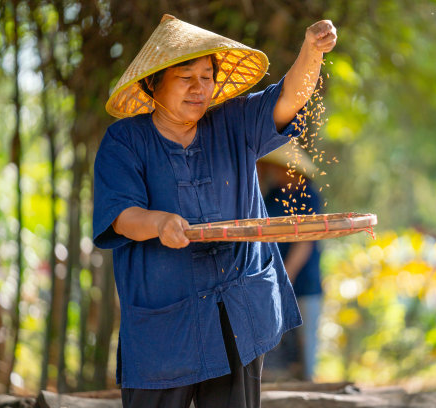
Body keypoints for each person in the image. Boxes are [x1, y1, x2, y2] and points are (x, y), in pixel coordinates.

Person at [93, 14, 336, 408]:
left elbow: (291, 95)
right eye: (185, 77)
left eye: (206, 77)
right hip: (163, 326)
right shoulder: (125, 140)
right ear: (153, 83)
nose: (198, 88)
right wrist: (159, 223)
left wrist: (312, 51)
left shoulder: (234, 122)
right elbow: (120, 215)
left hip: (238, 316)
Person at [257, 144, 323, 382]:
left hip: (304, 282)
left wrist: (286, 277)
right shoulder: (272, 194)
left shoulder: (309, 195)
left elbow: (305, 242)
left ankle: (308, 387)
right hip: (274, 281)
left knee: (305, 343)